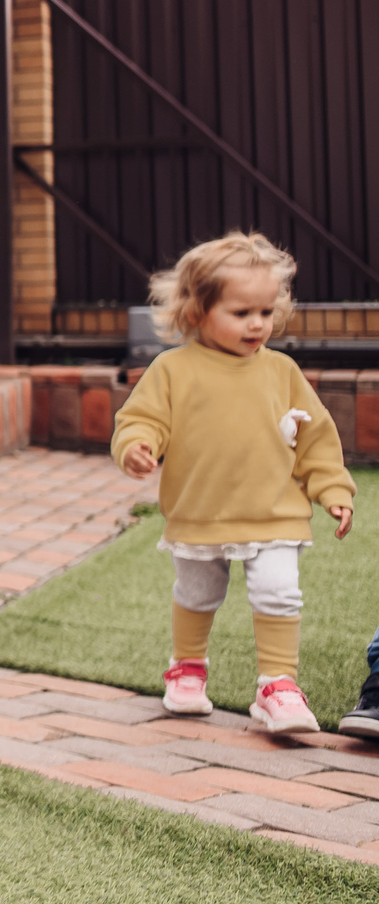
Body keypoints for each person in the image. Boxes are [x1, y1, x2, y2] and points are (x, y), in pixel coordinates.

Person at [112, 232, 355, 734]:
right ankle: (187, 670)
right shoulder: (172, 370)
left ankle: (277, 686)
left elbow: (316, 440)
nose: (258, 324)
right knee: (197, 593)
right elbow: (141, 421)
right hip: (199, 514)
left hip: (274, 512)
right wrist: (136, 448)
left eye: (266, 312)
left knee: (280, 593)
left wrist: (332, 489)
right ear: (197, 311)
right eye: (242, 312)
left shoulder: (282, 372)